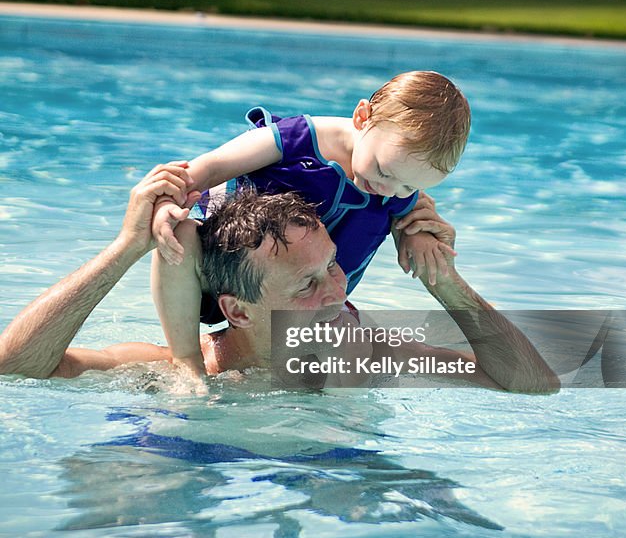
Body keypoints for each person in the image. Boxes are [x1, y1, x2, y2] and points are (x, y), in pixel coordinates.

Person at [0, 165, 559, 394]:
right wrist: (125, 249)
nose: (337, 293)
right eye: (305, 286)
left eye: (333, 266)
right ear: (236, 310)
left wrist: (445, 282)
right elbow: (16, 368)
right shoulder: (174, 370)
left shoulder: (363, 359)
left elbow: (532, 384)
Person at [151, 71, 472, 374]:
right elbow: (209, 167)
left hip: (303, 308)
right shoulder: (299, 139)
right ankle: (187, 362)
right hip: (223, 276)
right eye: (384, 171)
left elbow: (413, 209)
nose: (389, 191)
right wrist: (169, 201)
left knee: (351, 343)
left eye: (409, 186)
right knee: (178, 233)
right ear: (363, 118)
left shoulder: (397, 177)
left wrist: (419, 236)